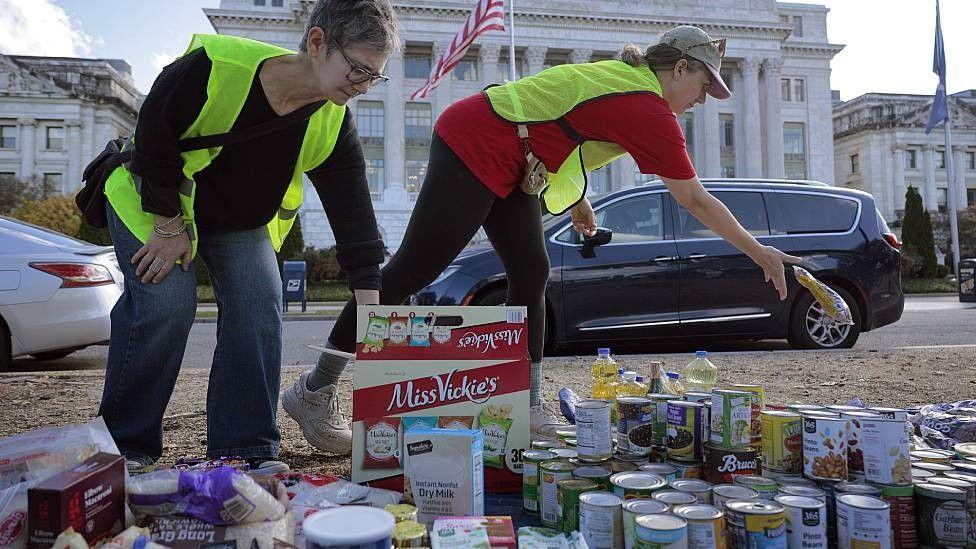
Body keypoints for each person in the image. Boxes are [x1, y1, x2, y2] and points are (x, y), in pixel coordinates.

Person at [284, 25, 802, 448]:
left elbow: (562, 119)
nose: (705, 100)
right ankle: (315, 388)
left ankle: (526, 406)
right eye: (704, 86)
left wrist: (576, 199)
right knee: (414, 270)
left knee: (532, 271)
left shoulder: (627, 84)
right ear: (680, 68)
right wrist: (760, 252)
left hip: (513, 155)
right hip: (476, 136)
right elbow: (693, 199)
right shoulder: (646, 104)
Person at [99, 0, 399, 471]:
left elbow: (353, 209)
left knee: (260, 304)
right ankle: (125, 448)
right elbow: (154, 135)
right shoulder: (216, 67)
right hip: (154, 201)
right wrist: (169, 224)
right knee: (165, 303)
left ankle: (245, 450)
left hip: (236, 220)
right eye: (358, 70)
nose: (363, 87)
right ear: (318, 42)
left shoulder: (333, 119)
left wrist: (370, 304)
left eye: (373, 77)